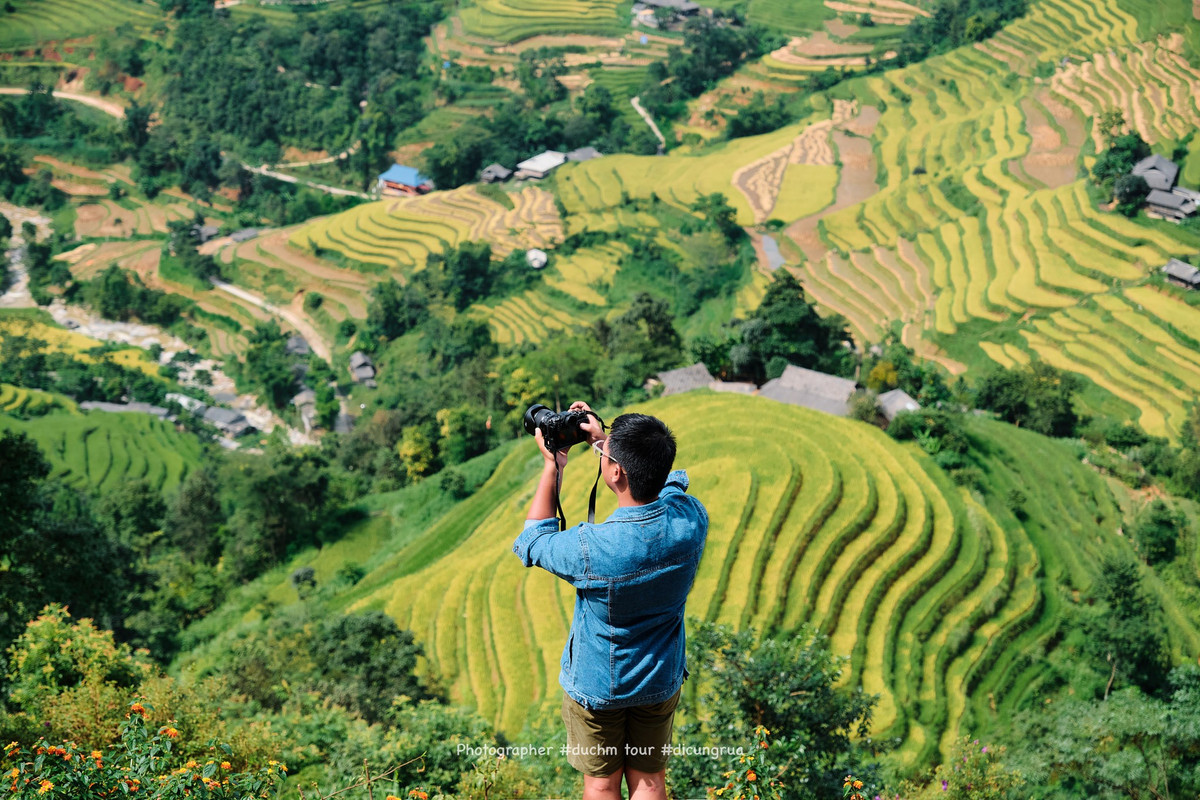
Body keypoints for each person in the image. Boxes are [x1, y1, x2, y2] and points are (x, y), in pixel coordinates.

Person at [512, 401, 709, 800]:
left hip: (600, 684)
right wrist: (607, 443)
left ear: (616, 472)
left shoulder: (593, 548)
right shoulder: (690, 520)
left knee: (601, 785)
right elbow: (671, 481)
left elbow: (531, 543)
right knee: (650, 780)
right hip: (659, 678)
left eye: (607, 456)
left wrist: (554, 465)